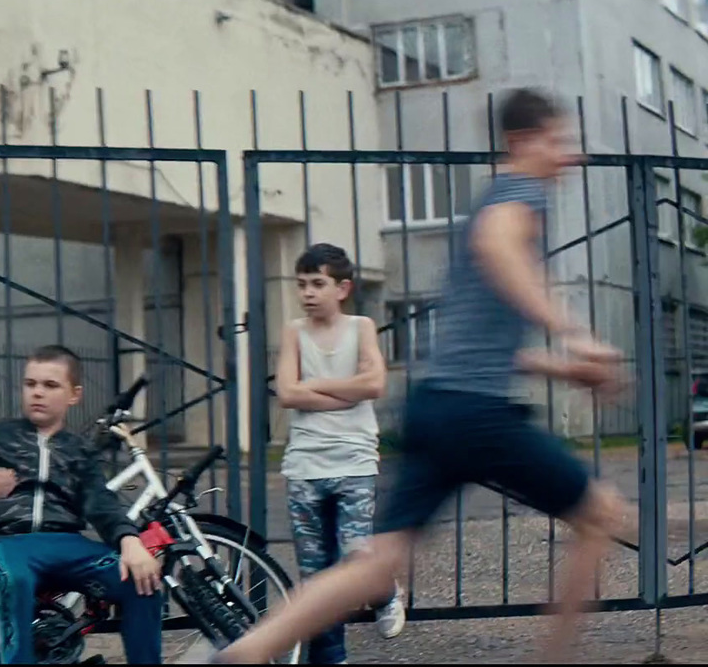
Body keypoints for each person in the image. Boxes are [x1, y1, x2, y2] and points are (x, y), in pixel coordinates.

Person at [214, 88, 628, 664]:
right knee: (600, 514)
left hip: (438, 407)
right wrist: (574, 330)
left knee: (380, 562)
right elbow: (500, 247)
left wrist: (562, 365)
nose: (570, 157)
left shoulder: (492, 202)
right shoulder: (519, 197)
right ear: (522, 142)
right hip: (476, 415)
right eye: (560, 142)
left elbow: (485, 345)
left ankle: (247, 652)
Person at [0, 344, 165, 665]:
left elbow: (101, 504)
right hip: (4, 543)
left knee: (142, 581)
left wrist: (130, 541)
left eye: (50, 386)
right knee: (14, 580)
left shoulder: (80, 450)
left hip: (66, 546)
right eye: (30, 384)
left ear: (73, 395)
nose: (37, 393)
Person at [276, 242, 405, 665]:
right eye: (302, 285)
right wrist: (341, 392)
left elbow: (374, 385)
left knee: (356, 553)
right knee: (317, 577)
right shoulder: (294, 332)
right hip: (305, 465)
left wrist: (312, 388)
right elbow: (287, 393)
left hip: (354, 461)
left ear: (343, 287)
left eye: (317, 284)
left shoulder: (361, 327)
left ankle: (385, 591)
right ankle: (331, 658)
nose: (308, 293)